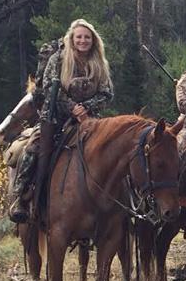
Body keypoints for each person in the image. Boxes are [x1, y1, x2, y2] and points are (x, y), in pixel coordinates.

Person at [9, 19, 114, 223]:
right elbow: (49, 88)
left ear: (93, 40)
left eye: (87, 37)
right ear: (72, 39)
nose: (83, 41)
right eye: (79, 37)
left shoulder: (99, 63)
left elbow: (107, 93)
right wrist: (72, 107)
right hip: (56, 116)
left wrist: (87, 107)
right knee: (33, 148)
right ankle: (21, 197)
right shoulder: (58, 59)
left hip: (89, 118)